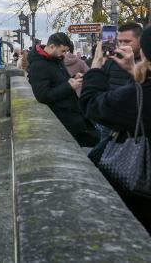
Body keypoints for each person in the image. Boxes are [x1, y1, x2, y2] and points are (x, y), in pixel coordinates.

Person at [80, 29, 151, 233]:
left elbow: (92, 105)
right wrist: (132, 70)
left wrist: (96, 66)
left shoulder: (137, 97)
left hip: (142, 195)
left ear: (144, 52)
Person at [27, 32, 98, 147]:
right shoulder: (38, 66)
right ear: (52, 47)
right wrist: (69, 86)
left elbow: (59, 83)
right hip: (65, 120)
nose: (65, 55)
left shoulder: (56, 59)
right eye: (63, 51)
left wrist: (73, 78)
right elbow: (43, 96)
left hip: (74, 114)